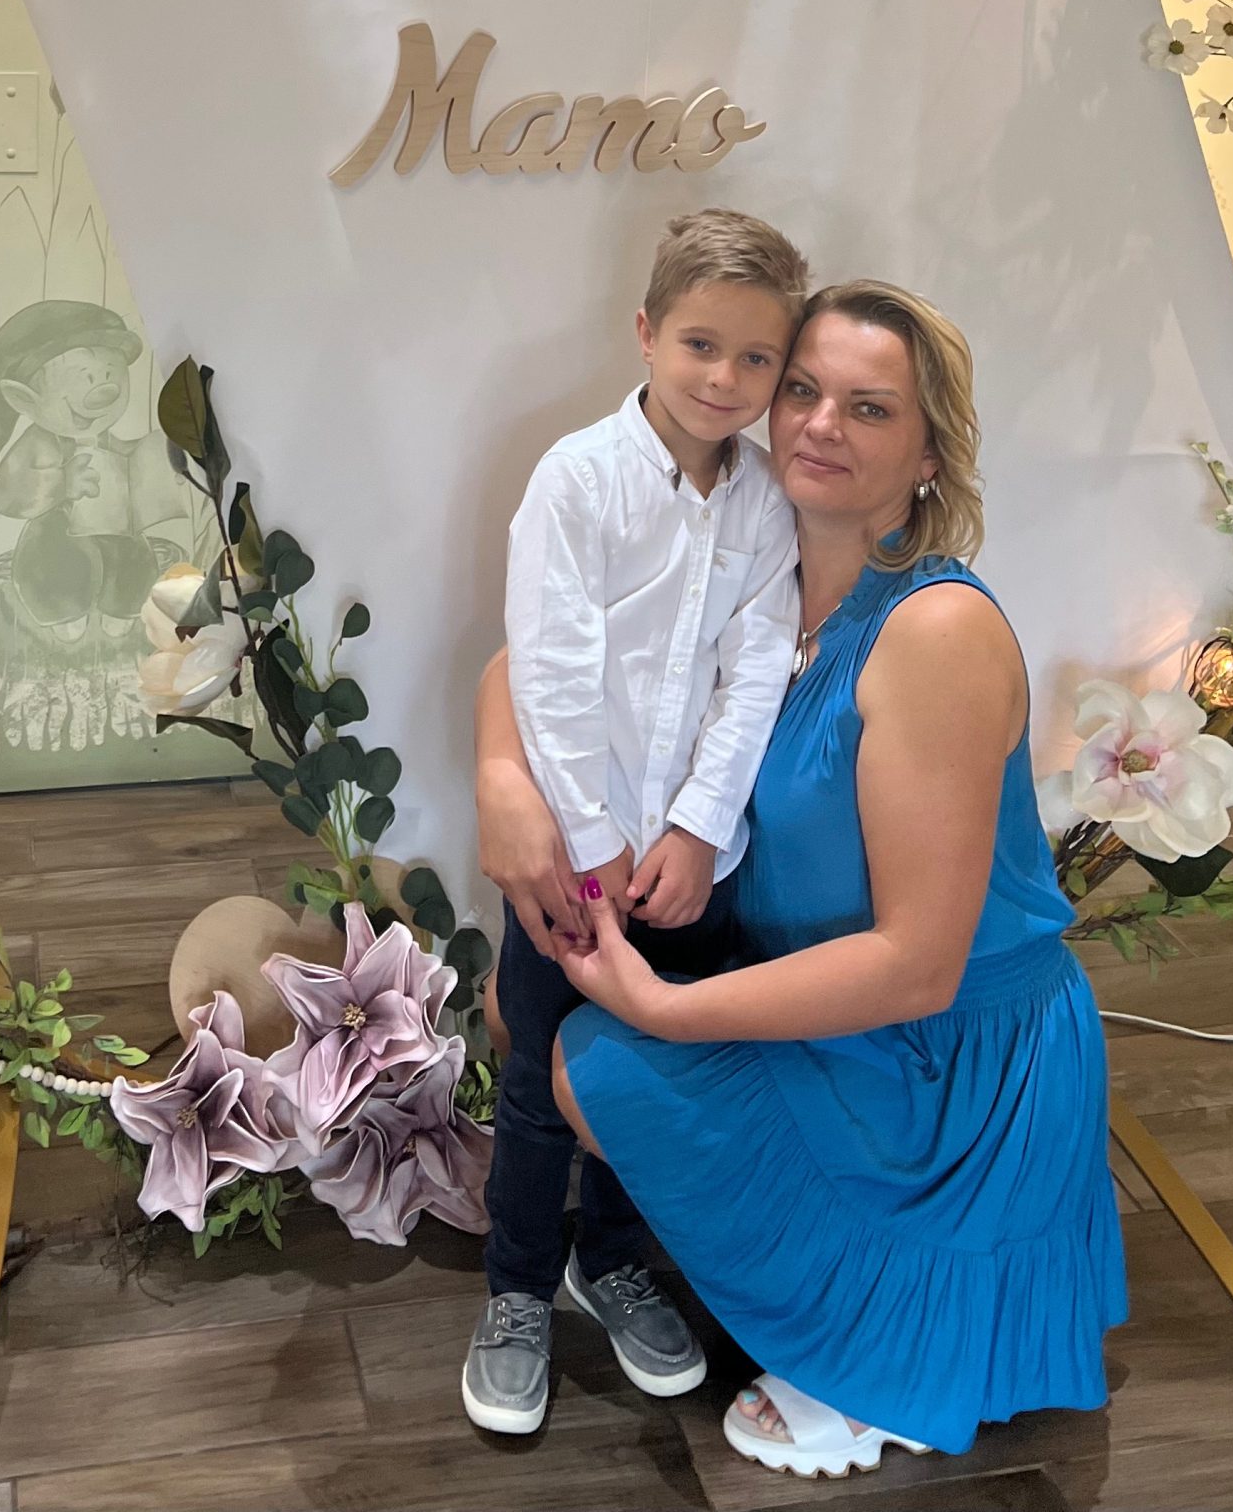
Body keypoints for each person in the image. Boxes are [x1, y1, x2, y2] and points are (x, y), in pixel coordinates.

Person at [476, 280, 1126, 1478]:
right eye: (804, 390)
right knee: (538, 1027)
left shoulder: (930, 631)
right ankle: (714, 1258)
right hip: (826, 1001)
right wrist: (499, 779)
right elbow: (541, 652)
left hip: (941, 1057)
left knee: (596, 1054)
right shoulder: (746, 540)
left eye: (868, 408)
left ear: (927, 455)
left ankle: (885, 1324)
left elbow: (917, 966)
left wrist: (663, 1005)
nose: (820, 423)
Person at [463, 210, 810, 1436]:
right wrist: (593, 837)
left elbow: (755, 669)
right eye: (701, 345)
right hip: (573, 860)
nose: (723, 378)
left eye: (755, 358)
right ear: (647, 332)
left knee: (647, 1075)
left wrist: (699, 829)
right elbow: (550, 671)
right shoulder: (577, 478)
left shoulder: (766, 505)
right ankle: (514, 1287)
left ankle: (604, 1261)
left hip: (687, 869)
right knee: (535, 1082)